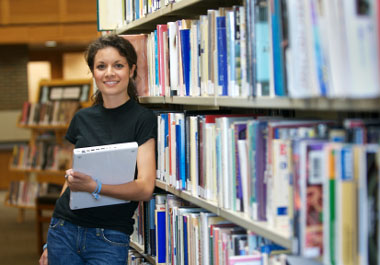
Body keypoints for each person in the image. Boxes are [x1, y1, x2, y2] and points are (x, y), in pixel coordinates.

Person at [39, 34, 157, 265]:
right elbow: (71, 179)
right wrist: (48, 243)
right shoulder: (82, 118)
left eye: (118, 65)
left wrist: (96, 187)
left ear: (131, 70)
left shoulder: (142, 119)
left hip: (109, 236)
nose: (109, 73)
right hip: (63, 229)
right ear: (93, 72)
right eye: (101, 66)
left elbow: (144, 188)